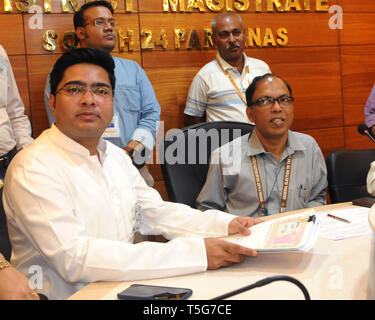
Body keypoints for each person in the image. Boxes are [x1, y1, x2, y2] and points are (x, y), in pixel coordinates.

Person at [4, 48, 262, 300]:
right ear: (52, 101)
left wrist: (224, 225)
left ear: (112, 101)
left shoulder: (115, 156)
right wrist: (195, 254)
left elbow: (154, 212)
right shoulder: (34, 166)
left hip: (122, 288)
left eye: (101, 90)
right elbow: (75, 258)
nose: (89, 99)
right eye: (74, 89)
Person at [44, 1, 160, 186]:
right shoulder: (64, 72)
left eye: (112, 23)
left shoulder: (133, 70)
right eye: (100, 23)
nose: (109, 28)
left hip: (133, 167)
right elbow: (60, 124)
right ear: (81, 32)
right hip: (84, 172)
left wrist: (132, 149)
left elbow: (151, 113)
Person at [196, 74, 327, 217]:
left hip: (298, 233)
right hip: (248, 236)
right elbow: (207, 211)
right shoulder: (225, 156)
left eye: (284, 100)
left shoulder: (309, 148)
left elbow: (317, 198)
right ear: (250, 114)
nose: (277, 108)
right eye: (265, 101)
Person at [184, 12, 271, 126]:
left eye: (236, 33)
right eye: (224, 35)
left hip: (262, 141)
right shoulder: (205, 76)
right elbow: (192, 120)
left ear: (245, 35)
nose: (232, 40)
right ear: (214, 39)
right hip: (226, 142)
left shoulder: (262, 68)